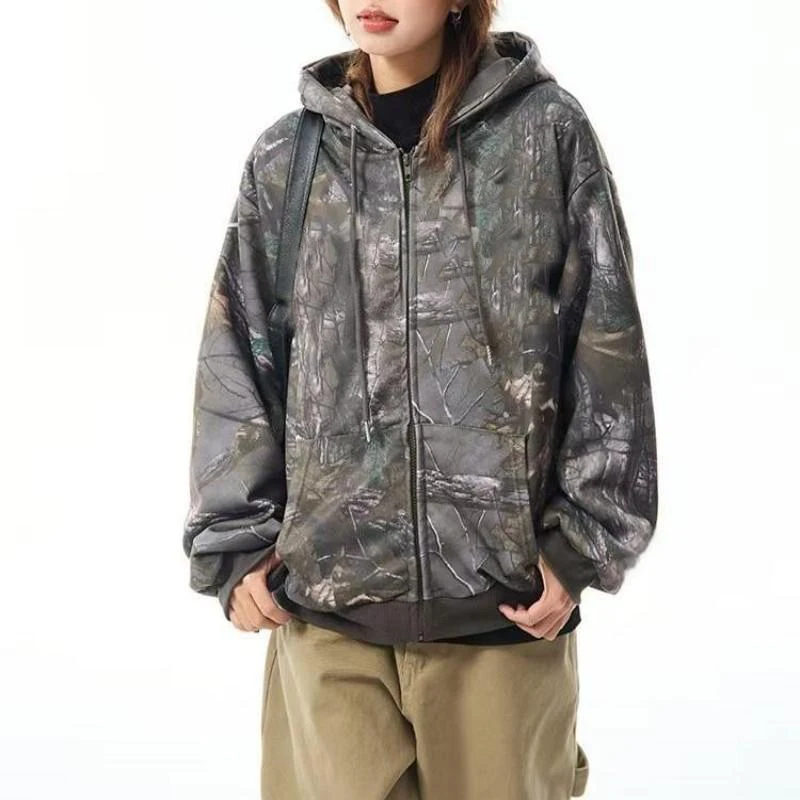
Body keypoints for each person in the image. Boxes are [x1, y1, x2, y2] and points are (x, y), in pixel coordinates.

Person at [182, 1, 658, 797]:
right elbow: (238, 351)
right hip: (326, 623)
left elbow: (604, 342)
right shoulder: (288, 158)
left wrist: (580, 548)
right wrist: (234, 546)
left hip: (500, 621)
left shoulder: (545, 134)